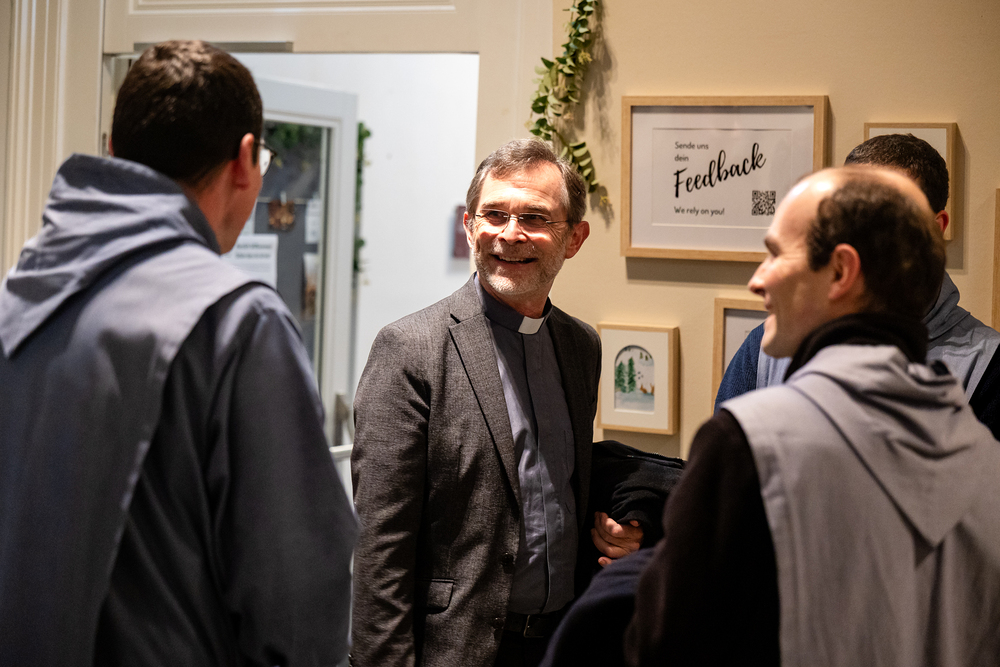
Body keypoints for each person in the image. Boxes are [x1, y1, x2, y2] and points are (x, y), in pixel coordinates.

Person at [0, 40, 357, 666]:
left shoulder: (17, 298)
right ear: (245, 160)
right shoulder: (236, 321)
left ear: (112, 149)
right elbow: (300, 605)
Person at [625, 167, 1000, 666]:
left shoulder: (750, 442)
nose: (757, 279)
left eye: (776, 254)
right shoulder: (985, 460)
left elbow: (664, 646)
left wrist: (623, 580)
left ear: (841, 271)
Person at [351, 138, 644, 667]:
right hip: (455, 649)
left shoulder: (581, 347)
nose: (510, 234)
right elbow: (380, 547)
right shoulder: (410, 349)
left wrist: (615, 532)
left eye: (534, 217)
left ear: (574, 238)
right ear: (469, 226)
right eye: (494, 215)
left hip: (563, 642)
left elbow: (557, 493)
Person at [715, 134, 1000, 438]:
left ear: (935, 228)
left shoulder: (988, 365)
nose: (857, 238)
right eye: (846, 216)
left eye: (884, 220)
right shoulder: (769, 346)